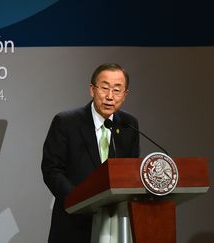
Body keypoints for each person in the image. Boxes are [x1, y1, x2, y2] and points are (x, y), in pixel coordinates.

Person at [41, 63, 140, 243]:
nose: (110, 96)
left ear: (125, 95)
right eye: (104, 88)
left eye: (117, 90)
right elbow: (52, 170)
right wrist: (80, 201)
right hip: (74, 222)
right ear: (92, 90)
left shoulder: (129, 125)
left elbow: (131, 171)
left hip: (116, 224)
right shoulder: (66, 122)